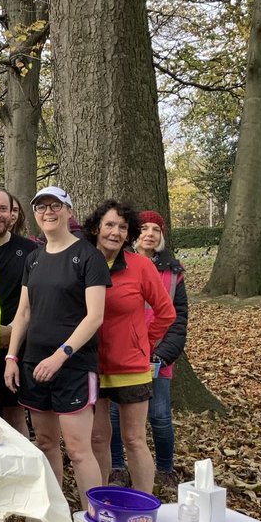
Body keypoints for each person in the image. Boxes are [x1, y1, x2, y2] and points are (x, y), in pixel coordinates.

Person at [3, 186, 110, 508]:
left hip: (73, 365)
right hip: (34, 364)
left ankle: (94, 519)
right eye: (41, 207)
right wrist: (12, 357)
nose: (48, 212)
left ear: (68, 211)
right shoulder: (34, 259)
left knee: (78, 449)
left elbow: (95, 317)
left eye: (55, 206)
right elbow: (23, 313)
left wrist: (60, 355)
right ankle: (55, 513)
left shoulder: (89, 256)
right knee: (46, 442)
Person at [84, 201, 176, 496]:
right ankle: (100, 500)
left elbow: (166, 313)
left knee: (134, 439)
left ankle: (143, 502)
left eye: (122, 227)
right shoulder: (83, 261)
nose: (115, 232)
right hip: (91, 364)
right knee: (98, 438)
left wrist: (143, 342)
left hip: (131, 365)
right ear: (96, 228)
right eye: (110, 225)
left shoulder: (141, 266)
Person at [108, 210, 188, 490]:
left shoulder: (173, 272)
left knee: (160, 416)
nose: (150, 234)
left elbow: (176, 317)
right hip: (124, 356)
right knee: (115, 416)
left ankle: (165, 469)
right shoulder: (119, 265)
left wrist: (160, 351)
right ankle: (117, 467)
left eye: (156, 229)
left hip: (158, 355)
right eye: (144, 228)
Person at [0, 189, 38, 435]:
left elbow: (35, 299)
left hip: (17, 343)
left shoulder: (30, 250)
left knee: (15, 413)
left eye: (3, 209)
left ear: (12, 213)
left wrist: (12, 331)